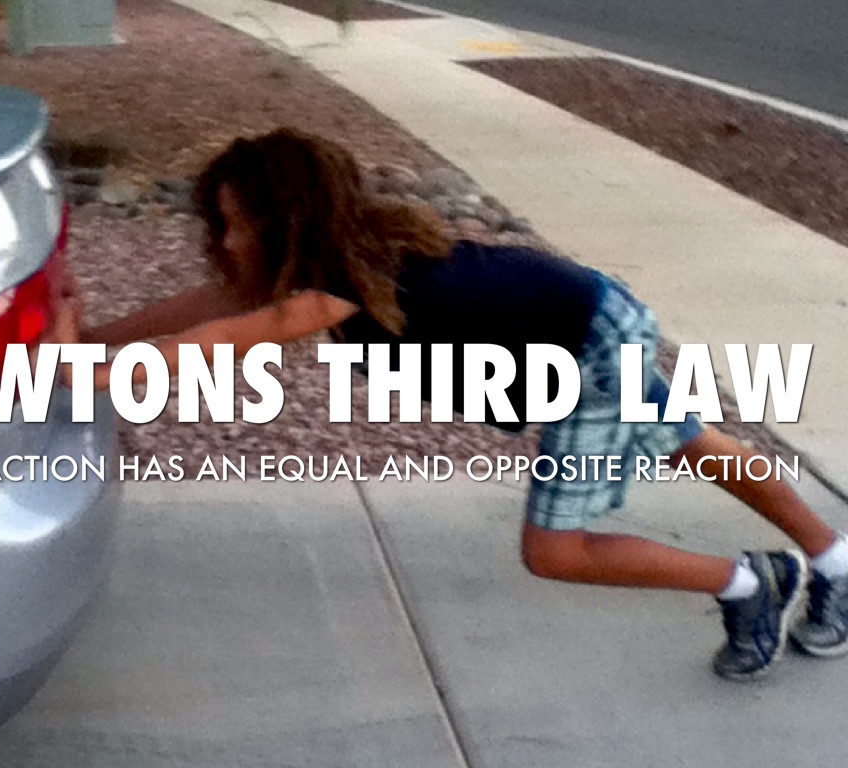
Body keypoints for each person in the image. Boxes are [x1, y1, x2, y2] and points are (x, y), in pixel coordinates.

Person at [62, 127, 848, 681]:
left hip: (586, 352)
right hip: (593, 312)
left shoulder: (332, 286)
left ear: (286, 221)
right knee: (689, 441)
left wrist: (64, 366)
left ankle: (752, 583)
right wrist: (94, 336)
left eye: (236, 225)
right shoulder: (346, 247)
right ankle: (836, 561)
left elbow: (215, 341)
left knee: (556, 552)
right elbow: (212, 305)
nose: (226, 241)